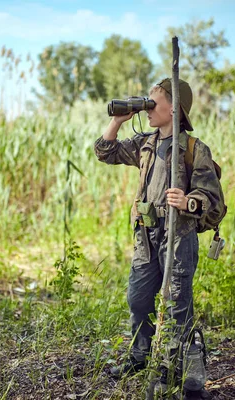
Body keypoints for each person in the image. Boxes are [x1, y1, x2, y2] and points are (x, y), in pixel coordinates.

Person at [94, 78, 221, 386]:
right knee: (138, 299)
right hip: (146, 237)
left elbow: (212, 197)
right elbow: (105, 152)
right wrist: (117, 121)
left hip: (178, 236)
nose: (148, 109)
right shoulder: (145, 143)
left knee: (177, 303)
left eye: (153, 103)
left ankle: (174, 364)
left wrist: (188, 201)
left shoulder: (194, 148)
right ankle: (139, 357)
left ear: (174, 108)